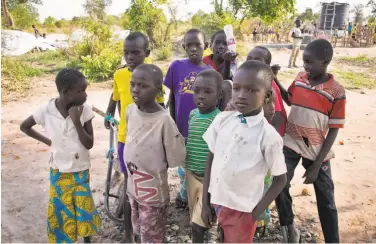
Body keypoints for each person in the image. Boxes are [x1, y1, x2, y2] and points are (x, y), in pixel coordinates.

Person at [201, 60, 287, 243]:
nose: (241, 95)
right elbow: (211, 158)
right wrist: (205, 202)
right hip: (217, 200)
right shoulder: (222, 120)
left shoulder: (268, 136)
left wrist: (254, 215)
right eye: (237, 88)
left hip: (243, 210)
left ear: (267, 95)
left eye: (251, 90)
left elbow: (280, 180)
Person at [274, 39, 345, 243]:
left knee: (326, 199)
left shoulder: (337, 91)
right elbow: (289, 99)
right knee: (279, 184)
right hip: (291, 142)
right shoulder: (300, 78)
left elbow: (334, 129)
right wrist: (276, 80)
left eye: (309, 62)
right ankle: (289, 227)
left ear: (325, 61)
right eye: (304, 61)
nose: (305, 66)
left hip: (316, 150)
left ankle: (333, 240)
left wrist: (316, 165)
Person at [20, 68, 101, 243]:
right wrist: (49, 142)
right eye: (81, 91)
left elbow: (89, 143)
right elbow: (24, 126)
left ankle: (87, 240)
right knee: (61, 209)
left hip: (80, 169)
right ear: (66, 92)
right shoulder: (46, 110)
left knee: (83, 207)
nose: (85, 95)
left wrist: (77, 122)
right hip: (58, 170)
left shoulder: (85, 109)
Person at [104, 32, 165, 241]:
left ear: (146, 53)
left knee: (146, 183)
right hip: (125, 138)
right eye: (126, 53)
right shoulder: (120, 75)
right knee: (130, 186)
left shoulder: (153, 74)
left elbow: (161, 106)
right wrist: (108, 114)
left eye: (135, 52)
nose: (130, 57)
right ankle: (130, 233)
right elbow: (115, 97)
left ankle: (148, 224)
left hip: (148, 139)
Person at [124, 64, 186, 243]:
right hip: (133, 186)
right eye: (133, 84)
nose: (135, 89)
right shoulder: (130, 110)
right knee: (138, 229)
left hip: (152, 193)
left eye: (143, 86)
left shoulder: (164, 121)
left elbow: (176, 158)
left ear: (158, 89)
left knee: (152, 236)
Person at [164, 29, 212, 209]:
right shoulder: (176, 67)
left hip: (201, 129)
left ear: (205, 47)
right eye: (189, 45)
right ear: (184, 47)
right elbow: (173, 99)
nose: (193, 49)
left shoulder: (209, 73)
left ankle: (197, 196)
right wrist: (173, 125)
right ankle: (185, 193)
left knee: (198, 162)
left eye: (197, 45)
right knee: (183, 163)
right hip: (181, 127)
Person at [185, 70, 222, 243]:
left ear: (219, 95)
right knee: (197, 215)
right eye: (197, 91)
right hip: (191, 174)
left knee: (198, 224)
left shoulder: (220, 119)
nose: (201, 96)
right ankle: (212, 233)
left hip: (210, 179)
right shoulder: (192, 114)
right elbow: (191, 140)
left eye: (208, 92)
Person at [246, 46, 287, 136]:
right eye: (248, 59)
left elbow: (278, 115)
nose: (251, 63)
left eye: (257, 60)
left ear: (267, 66)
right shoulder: (249, 81)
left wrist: (271, 138)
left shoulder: (268, 85)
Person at [203, 30, 237, 110]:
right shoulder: (204, 61)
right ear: (211, 45)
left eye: (225, 44)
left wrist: (227, 62)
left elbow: (226, 82)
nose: (221, 46)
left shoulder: (232, 63)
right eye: (217, 43)